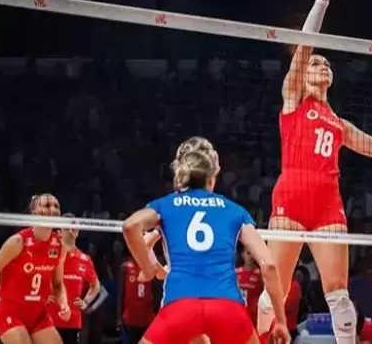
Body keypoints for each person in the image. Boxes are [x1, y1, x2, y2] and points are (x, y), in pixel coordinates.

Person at [257, 0, 372, 344]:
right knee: (274, 292)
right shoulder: (294, 100)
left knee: (340, 299)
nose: (322, 65)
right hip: (291, 197)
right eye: (316, 63)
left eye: (327, 63)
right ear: (303, 75)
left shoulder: (338, 123)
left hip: (328, 205)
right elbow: (305, 45)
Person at [121, 145, 290, 344]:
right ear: (211, 179)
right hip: (227, 307)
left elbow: (130, 226)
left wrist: (148, 269)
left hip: (180, 305)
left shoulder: (166, 204)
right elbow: (269, 266)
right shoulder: (235, 210)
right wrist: (281, 322)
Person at [0, 194, 71, 344]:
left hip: (39, 315)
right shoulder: (17, 242)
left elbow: (58, 284)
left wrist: (64, 304)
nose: (53, 209)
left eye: (56, 206)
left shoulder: (59, 245)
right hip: (11, 313)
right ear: (34, 212)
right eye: (47, 206)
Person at [47, 213, 106, 344]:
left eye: (74, 226)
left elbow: (95, 285)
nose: (71, 229)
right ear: (59, 232)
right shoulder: (49, 255)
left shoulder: (85, 259)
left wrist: (85, 302)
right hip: (49, 321)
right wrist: (43, 295)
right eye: (67, 226)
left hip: (72, 322)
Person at [236, 248, 263, 325]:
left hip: (254, 314)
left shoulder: (261, 275)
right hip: (238, 312)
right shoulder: (235, 273)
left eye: (253, 253)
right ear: (242, 255)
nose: (251, 256)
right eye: (248, 253)